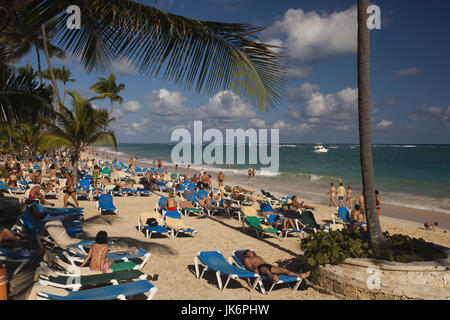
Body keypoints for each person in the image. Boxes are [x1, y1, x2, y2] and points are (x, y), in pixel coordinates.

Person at [243, 250, 311, 283]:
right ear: (246, 255)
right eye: (248, 252)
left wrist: (272, 266)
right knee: (267, 271)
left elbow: (265, 262)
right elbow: (249, 267)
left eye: (251, 252)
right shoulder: (246, 259)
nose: (250, 253)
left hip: (268, 265)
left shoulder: (258, 256)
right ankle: (273, 277)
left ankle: (299, 275)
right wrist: (254, 270)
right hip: (260, 267)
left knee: (284, 270)